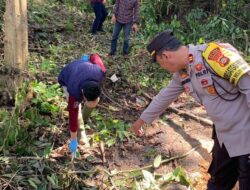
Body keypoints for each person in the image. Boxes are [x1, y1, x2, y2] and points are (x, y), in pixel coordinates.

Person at [129, 30, 250, 190]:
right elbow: (164, 96)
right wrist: (141, 121)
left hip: (246, 134)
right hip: (224, 137)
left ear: (165, 56)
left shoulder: (214, 55)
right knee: (217, 183)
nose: (163, 67)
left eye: (160, 63)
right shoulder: (183, 73)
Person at [58, 54, 106, 157]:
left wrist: (88, 59)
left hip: (83, 67)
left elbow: (95, 56)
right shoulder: (74, 92)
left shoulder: (100, 73)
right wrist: (73, 140)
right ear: (83, 94)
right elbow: (72, 116)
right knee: (76, 108)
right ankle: (81, 131)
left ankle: (83, 120)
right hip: (67, 76)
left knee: (91, 103)